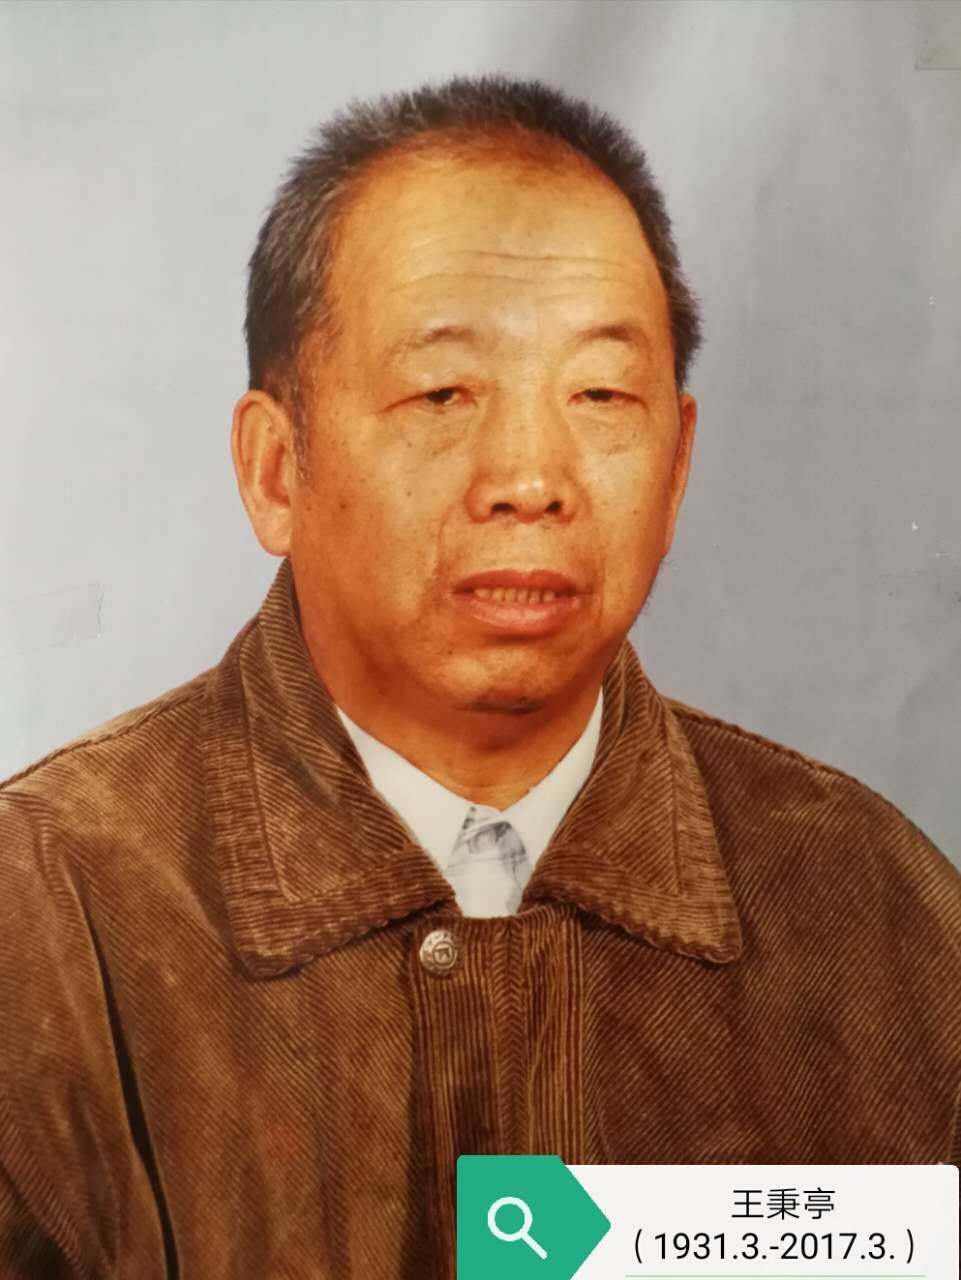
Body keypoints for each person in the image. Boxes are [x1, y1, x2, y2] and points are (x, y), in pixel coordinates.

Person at [1, 73, 958, 1279]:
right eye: (443, 392)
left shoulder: (877, 907)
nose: (530, 477)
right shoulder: (48, 912)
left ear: (675, 469)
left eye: (600, 394)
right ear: (275, 468)